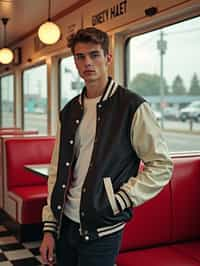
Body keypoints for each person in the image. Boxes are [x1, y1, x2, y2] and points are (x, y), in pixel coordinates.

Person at [40, 27, 173, 266]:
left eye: (94, 55)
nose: (87, 62)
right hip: (65, 223)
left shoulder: (132, 106)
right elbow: (56, 170)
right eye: (80, 57)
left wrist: (120, 200)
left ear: (108, 58)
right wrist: (49, 227)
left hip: (103, 226)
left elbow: (161, 165)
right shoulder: (69, 111)